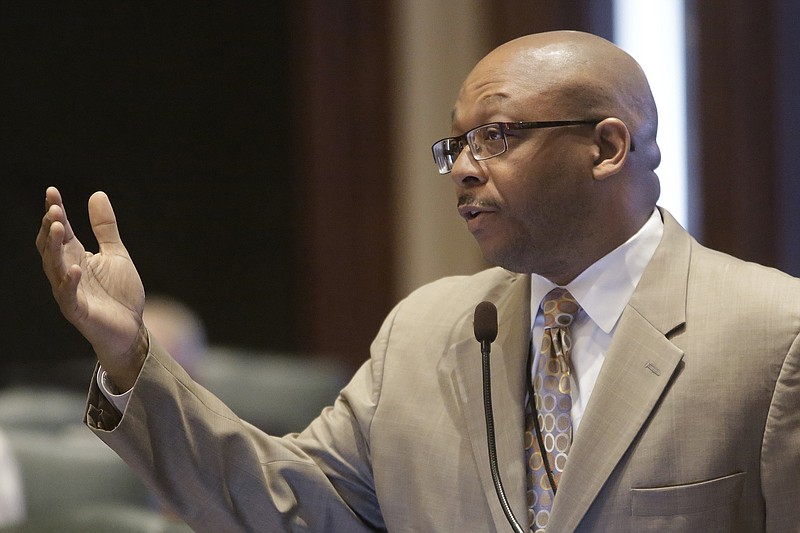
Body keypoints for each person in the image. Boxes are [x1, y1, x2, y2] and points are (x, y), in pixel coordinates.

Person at [36, 30, 799, 532]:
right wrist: (132, 354)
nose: (464, 167)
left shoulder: (770, 335)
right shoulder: (430, 329)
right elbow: (287, 504)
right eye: (457, 143)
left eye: (497, 136)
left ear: (606, 147)